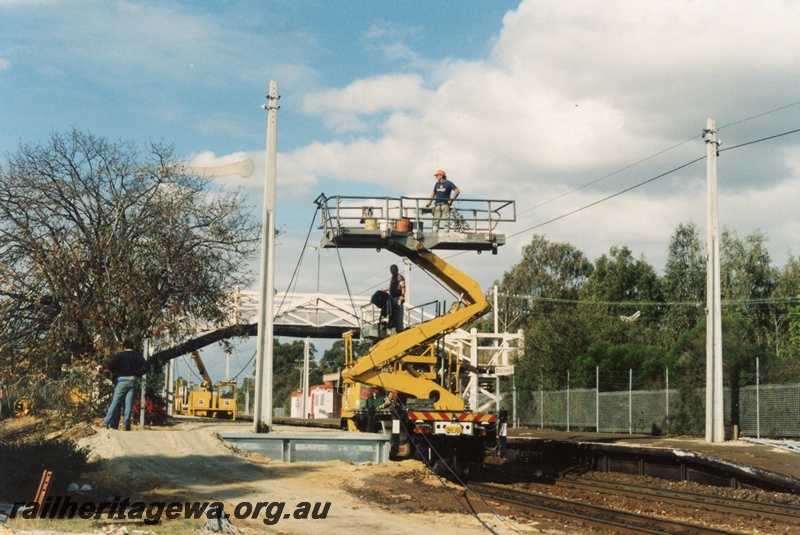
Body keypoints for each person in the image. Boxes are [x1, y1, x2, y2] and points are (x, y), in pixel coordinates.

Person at [102, 339, 149, 431]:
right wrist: (139, 373)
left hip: (121, 381)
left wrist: (116, 372)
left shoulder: (120, 355)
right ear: (132, 347)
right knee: (128, 404)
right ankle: (126, 425)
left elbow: (110, 364)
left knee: (115, 402)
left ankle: (105, 423)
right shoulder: (137, 356)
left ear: (124, 347)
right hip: (133, 381)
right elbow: (146, 365)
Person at [382, 264, 406, 332]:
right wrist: (383, 290)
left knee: (398, 312)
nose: (392, 272)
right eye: (391, 270)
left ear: (396, 270)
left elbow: (403, 286)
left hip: (398, 297)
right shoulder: (392, 278)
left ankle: (400, 328)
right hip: (392, 298)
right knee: (392, 313)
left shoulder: (399, 277)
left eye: (393, 270)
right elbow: (390, 287)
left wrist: (403, 295)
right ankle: (393, 325)